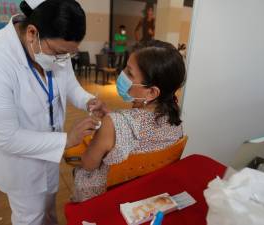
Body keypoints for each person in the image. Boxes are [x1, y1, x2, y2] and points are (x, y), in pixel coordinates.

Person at [0, 0, 108, 225]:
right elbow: (8, 137)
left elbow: (69, 84)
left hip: (49, 152)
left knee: (48, 209)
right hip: (20, 163)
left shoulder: (52, 47)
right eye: (60, 53)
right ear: (32, 33)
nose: (64, 60)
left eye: (69, 55)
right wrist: (67, 139)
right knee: (30, 217)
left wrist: (88, 100)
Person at [73, 40, 186, 202]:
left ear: (152, 92)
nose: (122, 74)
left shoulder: (113, 124)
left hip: (107, 197)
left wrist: (108, 124)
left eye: (130, 73)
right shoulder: (175, 120)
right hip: (144, 192)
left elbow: (88, 164)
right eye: (125, 67)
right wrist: (112, 118)